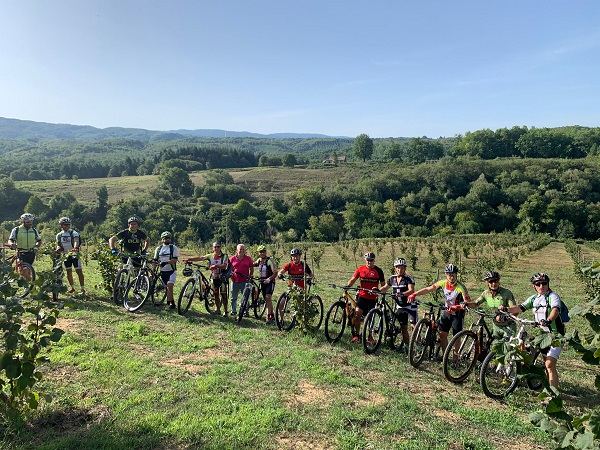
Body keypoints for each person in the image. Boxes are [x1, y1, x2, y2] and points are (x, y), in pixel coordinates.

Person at [500, 273, 563, 389]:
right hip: (542, 336)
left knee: (549, 364)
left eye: (544, 283)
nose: (541, 286)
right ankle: (548, 387)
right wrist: (506, 309)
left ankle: (553, 396)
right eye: (538, 284)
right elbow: (519, 308)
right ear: (534, 286)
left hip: (555, 336)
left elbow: (555, 310)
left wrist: (548, 320)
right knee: (546, 363)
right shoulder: (534, 299)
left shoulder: (553, 296)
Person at [408, 264, 470, 354]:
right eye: (449, 274)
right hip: (447, 312)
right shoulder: (443, 283)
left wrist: (457, 307)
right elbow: (428, 289)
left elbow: (467, 302)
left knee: (456, 338)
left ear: (456, 274)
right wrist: (415, 294)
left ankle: (455, 360)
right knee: (442, 334)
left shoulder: (461, 287)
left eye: (453, 274)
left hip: (458, 315)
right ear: (446, 274)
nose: (451, 277)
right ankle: (445, 356)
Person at [346, 252, 385, 343]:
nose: (369, 262)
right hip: (362, 297)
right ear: (365, 260)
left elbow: (383, 285)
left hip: (372, 298)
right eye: (368, 260)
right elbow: (353, 280)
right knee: (357, 316)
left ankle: (370, 337)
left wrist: (379, 290)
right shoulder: (360, 269)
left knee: (370, 319)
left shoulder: (378, 271)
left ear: (374, 260)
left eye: (371, 260)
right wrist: (347, 286)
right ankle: (357, 335)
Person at [467, 270, 516, 339]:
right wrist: (466, 304)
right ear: (487, 283)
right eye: (491, 281)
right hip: (496, 325)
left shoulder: (506, 293)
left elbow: (515, 310)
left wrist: (504, 317)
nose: (493, 284)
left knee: (506, 347)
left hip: (508, 325)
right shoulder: (486, 293)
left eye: (495, 281)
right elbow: (476, 303)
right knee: (494, 347)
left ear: (498, 281)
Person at [184, 242, 229, 316]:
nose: (216, 248)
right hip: (214, 278)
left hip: (222, 278)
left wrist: (216, 265)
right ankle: (218, 309)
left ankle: (226, 311)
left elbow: (224, 266)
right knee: (216, 294)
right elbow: (201, 258)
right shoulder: (210, 256)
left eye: (218, 247)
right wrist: (189, 259)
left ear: (220, 248)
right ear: (213, 248)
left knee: (223, 294)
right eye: (215, 247)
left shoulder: (224, 256)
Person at [380, 258, 415, 352]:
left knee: (414, 327)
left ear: (405, 268)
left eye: (402, 268)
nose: (400, 270)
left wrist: (403, 294)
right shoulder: (392, 278)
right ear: (395, 268)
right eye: (398, 268)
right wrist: (377, 290)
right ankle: (407, 347)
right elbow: (385, 287)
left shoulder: (408, 278)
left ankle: (418, 345)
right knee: (403, 327)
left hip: (410, 306)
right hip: (400, 306)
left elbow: (411, 290)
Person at [55, 217, 85, 294]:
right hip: (66, 255)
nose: (67, 226)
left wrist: (75, 247)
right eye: (65, 225)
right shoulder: (59, 235)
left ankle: (82, 289)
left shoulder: (73, 233)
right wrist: (58, 248)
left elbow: (76, 241)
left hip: (74, 254)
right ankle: (72, 287)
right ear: (61, 225)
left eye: (69, 224)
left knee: (79, 271)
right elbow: (59, 245)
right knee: (69, 271)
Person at [7, 213, 42, 280]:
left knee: (28, 271)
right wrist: (12, 244)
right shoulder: (16, 230)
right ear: (23, 222)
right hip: (21, 253)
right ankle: (33, 286)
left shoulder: (34, 230)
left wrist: (36, 247)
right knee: (23, 272)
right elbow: (10, 240)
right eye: (28, 222)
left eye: (31, 222)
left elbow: (39, 241)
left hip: (31, 253)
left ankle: (28, 288)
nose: (30, 223)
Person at [153, 231, 179, 310]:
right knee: (167, 289)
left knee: (169, 286)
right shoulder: (158, 249)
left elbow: (175, 259)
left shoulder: (173, 247)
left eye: (168, 238)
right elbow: (155, 260)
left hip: (171, 271)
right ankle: (173, 304)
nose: (167, 240)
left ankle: (168, 304)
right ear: (162, 239)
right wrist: (153, 271)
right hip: (162, 272)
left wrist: (166, 262)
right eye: (165, 238)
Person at [253, 245, 277, 323]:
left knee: (268, 297)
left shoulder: (270, 260)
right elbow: (254, 264)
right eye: (260, 252)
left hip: (270, 281)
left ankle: (268, 316)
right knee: (267, 299)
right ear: (258, 253)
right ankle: (272, 314)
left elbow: (275, 273)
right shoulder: (259, 260)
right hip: (262, 281)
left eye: (263, 252)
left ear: (265, 252)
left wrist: (269, 279)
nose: (262, 253)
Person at [229, 243, 254, 316]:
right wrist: (231, 277)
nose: (242, 251)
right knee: (234, 297)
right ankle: (233, 310)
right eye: (240, 249)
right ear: (237, 250)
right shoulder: (232, 259)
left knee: (246, 297)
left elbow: (251, 268)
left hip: (245, 281)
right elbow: (229, 269)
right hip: (235, 280)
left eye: (243, 249)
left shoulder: (248, 258)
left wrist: (249, 277)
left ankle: (246, 311)